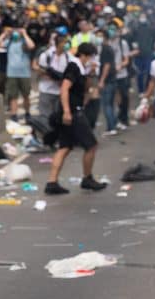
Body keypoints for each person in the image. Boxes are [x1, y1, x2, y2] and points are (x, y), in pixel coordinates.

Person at [44, 43, 108, 195]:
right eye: (91, 57)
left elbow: (86, 90)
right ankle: (87, 178)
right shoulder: (73, 66)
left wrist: (91, 74)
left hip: (74, 111)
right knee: (91, 145)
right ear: (85, 55)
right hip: (73, 113)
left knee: (64, 147)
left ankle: (51, 182)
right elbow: (64, 88)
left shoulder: (81, 68)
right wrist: (66, 111)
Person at [34, 29, 71, 143]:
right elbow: (39, 71)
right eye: (64, 42)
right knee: (45, 116)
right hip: (46, 90)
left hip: (60, 92)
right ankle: (46, 139)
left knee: (57, 117)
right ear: (59, 43)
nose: (66, 45)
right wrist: (51, 75)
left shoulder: (68, 57)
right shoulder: (46, 55)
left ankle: (57, 138)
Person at [0, 26, 35, 121]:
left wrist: (24, 34)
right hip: (12, 73)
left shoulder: (24, 43)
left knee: (26, 95)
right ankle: (14, 115)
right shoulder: (9, 42)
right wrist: (5, 34)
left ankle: (27, 113)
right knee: (13, 96)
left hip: (25, 74)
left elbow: (32, 45)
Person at [101, 21, 132, 135]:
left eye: (114, 29)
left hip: (121, 75)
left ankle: (123, 119)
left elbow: (126, 59)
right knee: (112, 99)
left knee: (123, 98)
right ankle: (114, 121)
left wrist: (120, 66)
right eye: (110, 28)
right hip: (110, 76)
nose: (112, 31)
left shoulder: (122, 43)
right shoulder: (106, 43)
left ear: (119, 30)